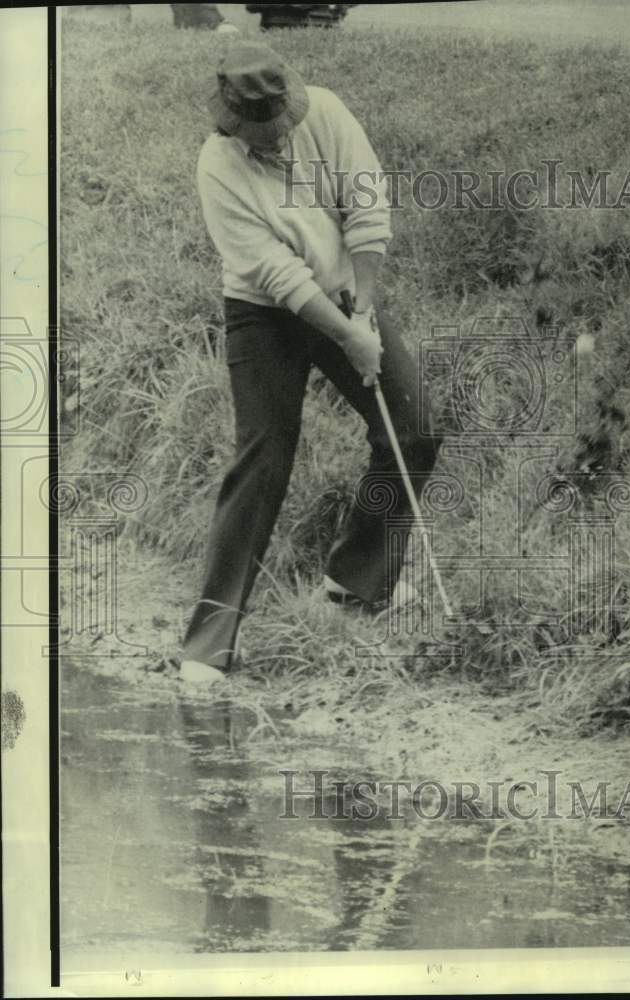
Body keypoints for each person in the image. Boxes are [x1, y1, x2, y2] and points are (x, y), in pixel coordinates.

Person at [179, 41, 438, 684]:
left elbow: (367, 208)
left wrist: (364, 313)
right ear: (229, 121)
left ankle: (355, 584)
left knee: (414, 429)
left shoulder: (323, 113)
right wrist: (348, 336)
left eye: (277, 125)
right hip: (262, 313)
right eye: (254, 130)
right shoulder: (217, 165)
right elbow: (276, 274)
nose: (271, 138)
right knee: (263, 458)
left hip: (346, 292)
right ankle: (208, 644)